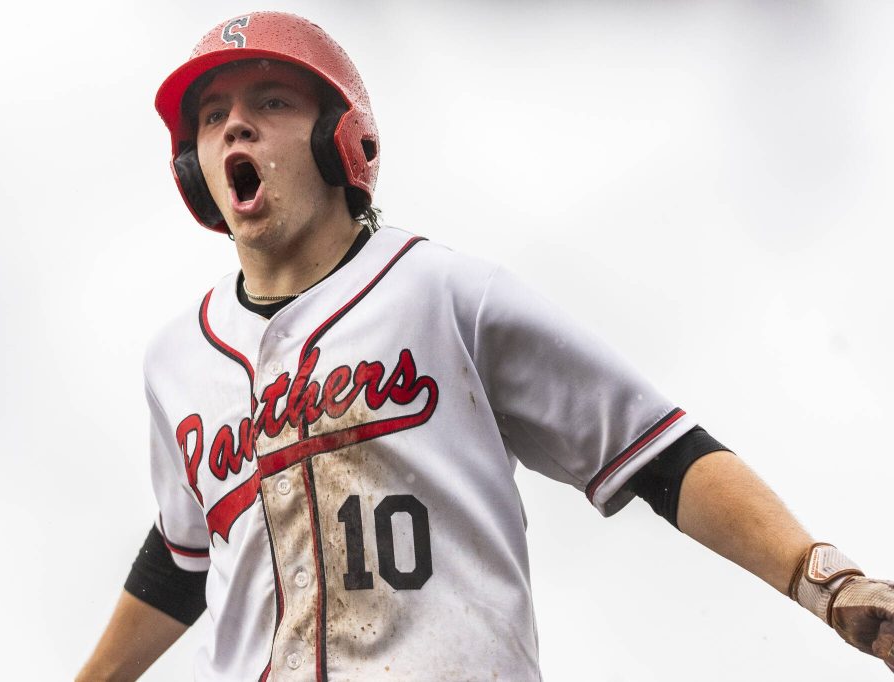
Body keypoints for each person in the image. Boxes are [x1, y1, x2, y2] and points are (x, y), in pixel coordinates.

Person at [77, 11, 894, 681]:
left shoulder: (444, 295)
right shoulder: (176, 361)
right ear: (193, 171)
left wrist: (823, 580)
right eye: (212, 118)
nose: (234, 129)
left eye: (271, 103)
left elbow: (659, 451)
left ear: (339, 141)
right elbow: (183, 554)